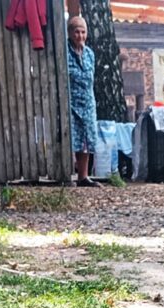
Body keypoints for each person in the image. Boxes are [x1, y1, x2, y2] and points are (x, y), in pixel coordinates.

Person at [66, 16, 99, 187]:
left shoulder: (89, 54)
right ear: (70, 33)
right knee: (71, 137)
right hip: (70, 101)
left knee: (86, 139)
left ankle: (83, 177)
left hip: (87, 101)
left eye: (83, 32)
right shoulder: (64, 51)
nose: (80, 35)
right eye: (76, 32)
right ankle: (67, 173)